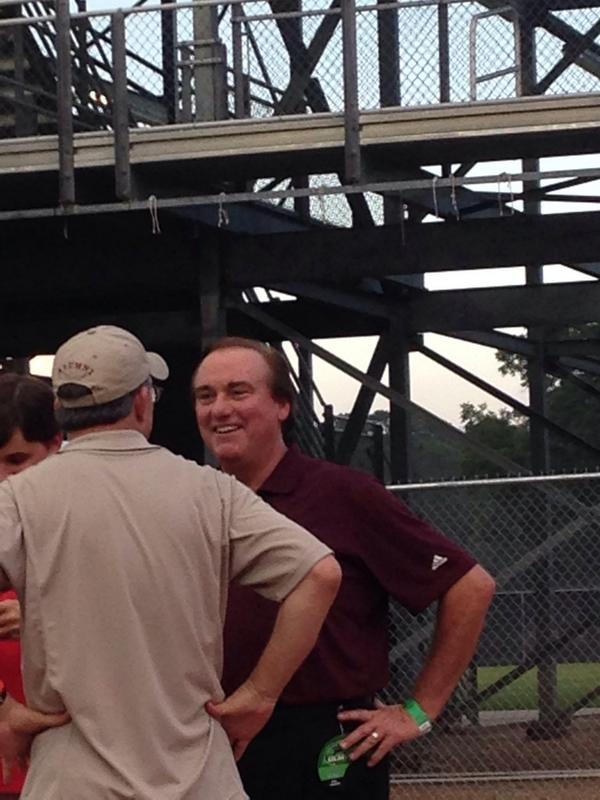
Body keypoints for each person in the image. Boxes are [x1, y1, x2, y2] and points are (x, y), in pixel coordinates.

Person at [0, 325, 341, 800]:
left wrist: (6, 709)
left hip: (72, 775)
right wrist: (260, 695)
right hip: (198, 777)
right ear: (143, 401)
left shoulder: (19, 499)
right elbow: (320, 574)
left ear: (61, 407)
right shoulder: (212, 492)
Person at [193, 337, 496, 800]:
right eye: (205, 396)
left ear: (282, 406)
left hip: (322, 742)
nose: (220, 409)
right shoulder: (195, 501)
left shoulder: (342, 494)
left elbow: (470, 587)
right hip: (216, 736)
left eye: (239, 392)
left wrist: (419, 711)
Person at [0, 374, 63, 798]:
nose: (2, 478)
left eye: (16, 460)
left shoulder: (92, 520)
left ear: (56, 444)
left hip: (68, 765)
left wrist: (45, 617)